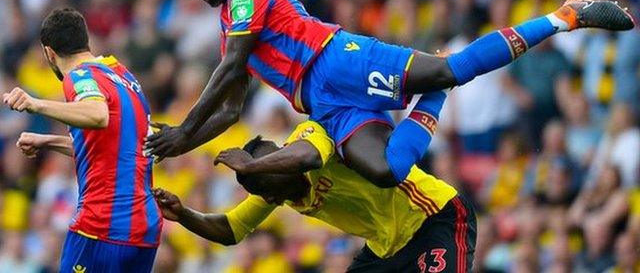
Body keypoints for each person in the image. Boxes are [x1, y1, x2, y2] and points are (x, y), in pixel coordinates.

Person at [145, 0, 634, 188]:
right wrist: (183, 144)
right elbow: (231, 110)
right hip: (321, 103)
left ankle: (564, 16)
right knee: (385, 172)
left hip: (336, 62)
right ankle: (433, 99)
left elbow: (231, 68)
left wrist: (184, 130)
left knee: (450, 68)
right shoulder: (228, 22)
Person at [154, 90, 478, 272]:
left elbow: (307, 157)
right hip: (387, 248)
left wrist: (252, 167)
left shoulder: (308, 138)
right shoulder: (274, 193)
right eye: (269, 188)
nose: (275, 190)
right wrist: (183, 214)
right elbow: (230, 230)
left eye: (271, 166)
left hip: (434, 216)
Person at [2, 8, 162, 272]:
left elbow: (97, 115)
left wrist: (35, 104)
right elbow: (114, 147)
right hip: (144, 229)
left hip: (102, 225)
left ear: (49, 53)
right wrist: (47, 141)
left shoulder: (79, 76)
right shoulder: (123, 76)